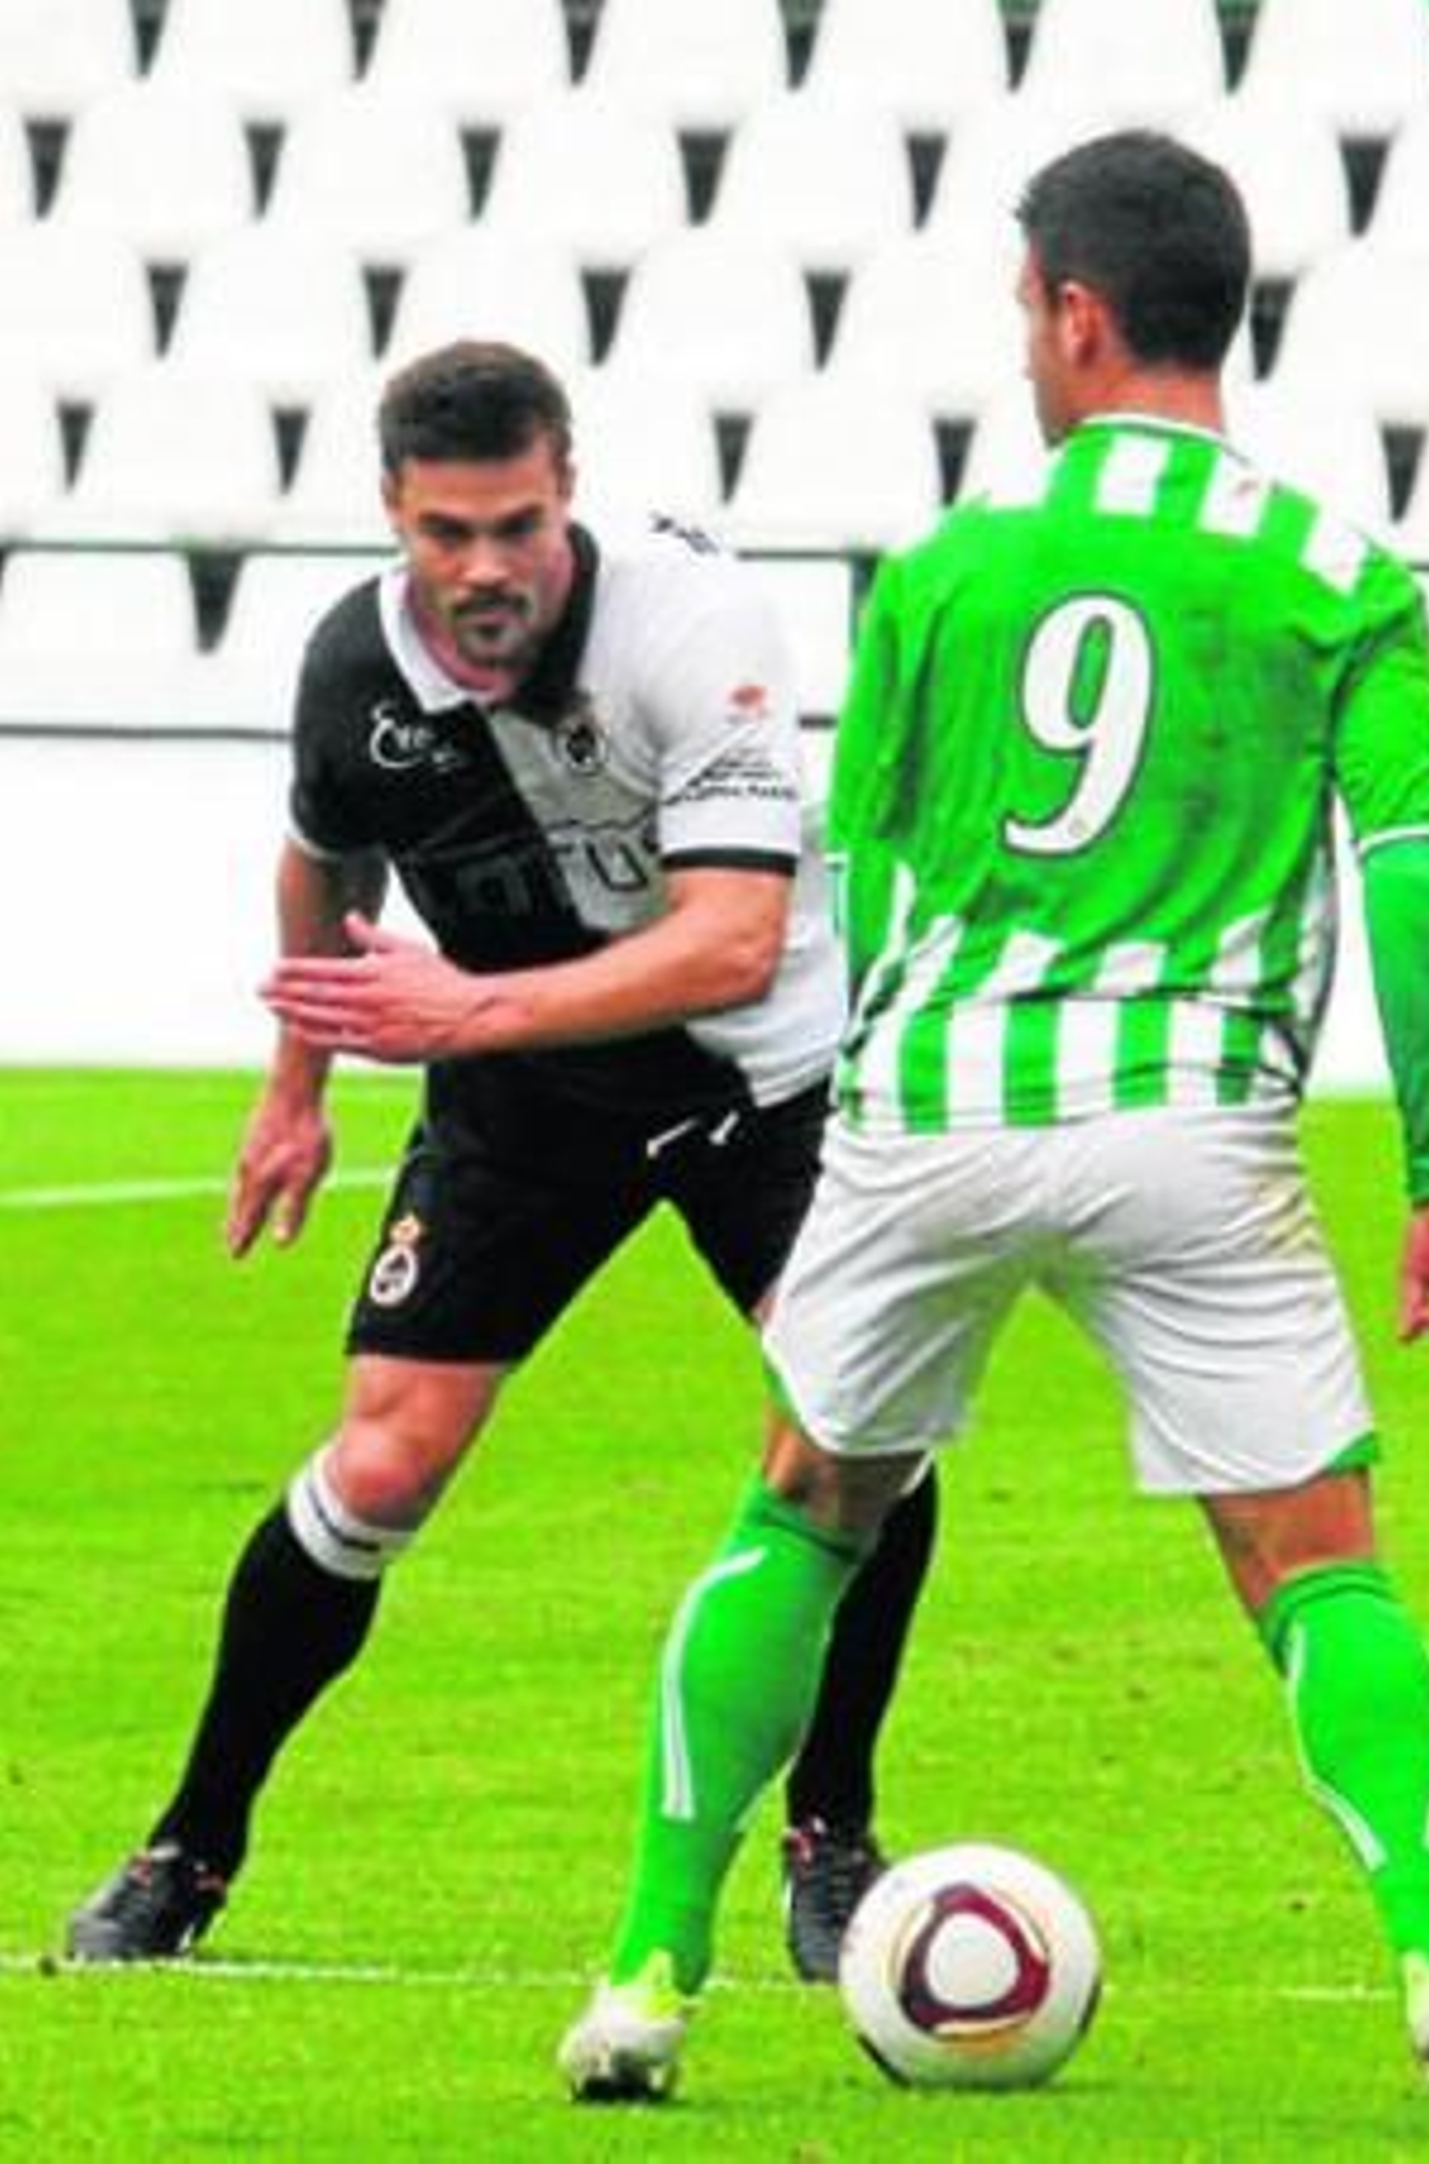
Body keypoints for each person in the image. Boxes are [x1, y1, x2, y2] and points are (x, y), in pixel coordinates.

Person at [558, 133, 1429, 2142]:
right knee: (1316, 1567)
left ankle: (643, 1976)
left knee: (800, 1511)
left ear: (1076, 310)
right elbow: (1409, 878)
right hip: (1188, 1118)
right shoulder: (1334, 577)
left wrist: (876, 1098)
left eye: (1024, 312)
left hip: (935, 1098)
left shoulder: (945, 568)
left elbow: (863, 867)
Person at [67, 340, 936, 1981]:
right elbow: (322, 862)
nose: (486, 570)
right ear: (393, 512)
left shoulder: (692, 623)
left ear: (569, 494)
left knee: (853, 1431)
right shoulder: (356, 668)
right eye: (447, 533)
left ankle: (831, 1829)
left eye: (519, 527)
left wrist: (466, 1011)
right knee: (382, 1464)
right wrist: (296, 1089)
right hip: (526, 1090)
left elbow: (734, 940)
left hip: (758, 1077)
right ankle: (190, 1845)